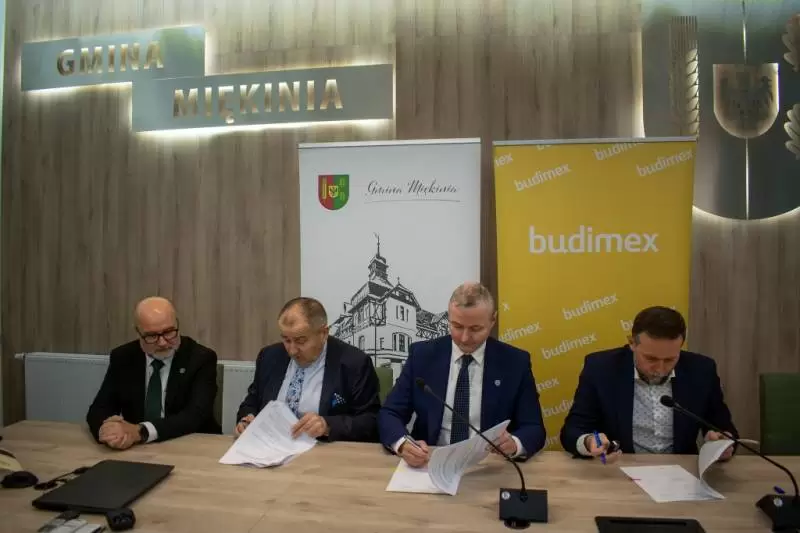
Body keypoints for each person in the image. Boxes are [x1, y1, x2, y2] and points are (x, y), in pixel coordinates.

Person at [378, 282, 546, 467]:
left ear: (493, 321)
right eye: (457, 326)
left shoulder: (515, 362)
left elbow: (534, 428)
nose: (465, 338)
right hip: (430, 461)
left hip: (489, 465)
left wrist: (514, 444)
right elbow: (390, 413)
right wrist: (402, 444)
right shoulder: (422, 356)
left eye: (475, 329)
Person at [560, 306, 738, 461]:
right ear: (632, 343)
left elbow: (722, 427)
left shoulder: (701, 370)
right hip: (621, 468)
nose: (660, 369)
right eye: (651, 358)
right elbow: (573, 430)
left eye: (670, 359)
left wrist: (722, 444)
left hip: (682, 472)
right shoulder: (601, 368)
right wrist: (590, 441)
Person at [235, 297, 381, 442]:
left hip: (322, 450)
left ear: (323, 334)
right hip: (270, 446)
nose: (292, 350)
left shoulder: (354, 363)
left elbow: (371, 421)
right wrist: (246, 420)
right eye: (286, 340)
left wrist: (327, 425)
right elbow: (251, 402)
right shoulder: (269, 356)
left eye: (301, 341)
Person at [86, 297, 220, 449]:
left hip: (191, 446)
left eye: (169, 332)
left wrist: (141, 431)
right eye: (152, 336)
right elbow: (100, 408)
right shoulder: (123, 357)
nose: (162, 342)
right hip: (138, 449)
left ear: (177, 324)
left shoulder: (201, 358)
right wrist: (108, 430)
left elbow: (195, 415)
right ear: (138, 333)